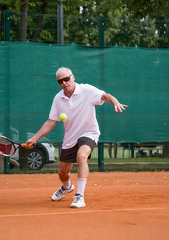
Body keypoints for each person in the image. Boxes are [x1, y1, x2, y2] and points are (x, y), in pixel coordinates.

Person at [26, 67, 127, 208]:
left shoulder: (86, 90)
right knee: (62, 173)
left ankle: (79, 196)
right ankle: (67, 187)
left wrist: (115, 102)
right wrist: (35, 138)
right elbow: (50, 122)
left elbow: (105, 96)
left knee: (81, 157)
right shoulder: (58, 98)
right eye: (60, 81)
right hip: (70, 137)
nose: (64, 83)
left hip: (89, 132)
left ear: (73, 77)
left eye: (67, 79)